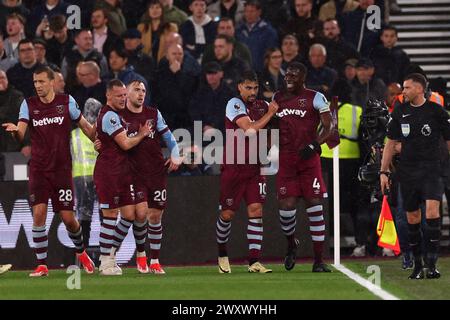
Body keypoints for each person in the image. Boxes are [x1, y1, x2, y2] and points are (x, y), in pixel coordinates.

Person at [2, 65, 96, 277]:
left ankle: (82, 253)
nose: (38, 86)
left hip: (62, 169)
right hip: (39, 168)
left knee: (68, 218)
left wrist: (98, 140)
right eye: (35, 82)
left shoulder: (66, 101)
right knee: (38, 214)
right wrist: (16, 132)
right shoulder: (29, 105)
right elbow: (21, 133)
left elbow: (85, 126)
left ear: (52, 82)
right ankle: (42, 265)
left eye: (42, 81)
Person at [380, 73, 450, 279]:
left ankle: (432, 263)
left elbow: (448, 140)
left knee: (431, 212)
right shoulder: (400, 111)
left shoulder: (437, 111)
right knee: (412, 217)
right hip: (407, 172)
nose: (404, 92)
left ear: (420, 89)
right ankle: (417, 265)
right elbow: (390, 143)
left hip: (432, 170)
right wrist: (383, 171)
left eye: (408, 88)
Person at [109, 80, 181, 274]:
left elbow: (169, 138)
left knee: (155, 216)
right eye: (136, 90)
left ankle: (155, 261)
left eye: (143, 90)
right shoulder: (118, 116)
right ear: (127, 93)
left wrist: (175, 153)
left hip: (156, 172)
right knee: (139, 214)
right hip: (132, 174)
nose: (140, 94)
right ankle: (139, 254)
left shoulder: (153, 114)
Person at [216, 70, 279, 274]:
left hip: (254, 168)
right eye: (248, 87)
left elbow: (271, 131)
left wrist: (267, 147)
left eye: (255, 88)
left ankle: (254, 262)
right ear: (239, 87)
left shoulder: (262, 106)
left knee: (256, 211)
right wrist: (270, 113)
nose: (253, 92)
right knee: (227, 214)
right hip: (234, 166)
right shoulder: (234, 104)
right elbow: (250, 129)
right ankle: (223, 254)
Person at [273, 62, 333, 272]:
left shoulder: (315, 97)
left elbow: (329, 125)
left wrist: (316, 144)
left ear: (303, 77)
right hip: (286, 162)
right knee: (286, 210)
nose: (289, 77)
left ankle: (318, 260)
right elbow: (270, 123)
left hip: (309, 161)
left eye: (294, 75)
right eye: (287, 74)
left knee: (315, 206)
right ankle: (291, 245)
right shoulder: (277, 98)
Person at [94, 79, 151, 276]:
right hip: (109, 172)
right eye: (119, 95)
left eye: (124, 95)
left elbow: (98, 134)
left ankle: (110, 257)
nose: (123, 99)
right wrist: (143, 134)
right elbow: (125, 144)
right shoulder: (110, 116)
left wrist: (99, 140)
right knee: (110, 215)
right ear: (108, 95)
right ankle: (104, 262)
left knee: (128, 215)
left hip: (122, 172)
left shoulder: (115, 116)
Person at [71, 98, 102, 250]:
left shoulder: (74, 134)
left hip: (80, 178)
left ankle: (83, 254)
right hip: (99, 177)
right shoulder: (102, 133)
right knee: (105, 215)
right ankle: (106, 253)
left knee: (84, 218)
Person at [235, 0, 278, 73]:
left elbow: (271, 54)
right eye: (246, 11)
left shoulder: (268, 31)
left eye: (252, 11)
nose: (249, 14)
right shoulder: (239, 30)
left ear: (259, 12)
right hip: (242, 72)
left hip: (261, 72)